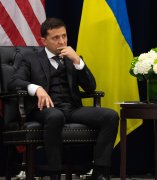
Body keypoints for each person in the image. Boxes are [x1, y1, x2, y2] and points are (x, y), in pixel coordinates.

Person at [8, 18, 119, 180]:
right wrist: (36, 88)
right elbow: (13, 82)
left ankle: (100, 172)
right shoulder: (31, 59)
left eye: (64, 36)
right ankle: (54, 173)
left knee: (111, 116)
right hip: (43, 110)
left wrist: (78, 62)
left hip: (72, 109)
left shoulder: (72, 58)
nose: (62, 41)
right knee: (55, 115)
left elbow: (90, 87)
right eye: (56, 38)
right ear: (44, 41)